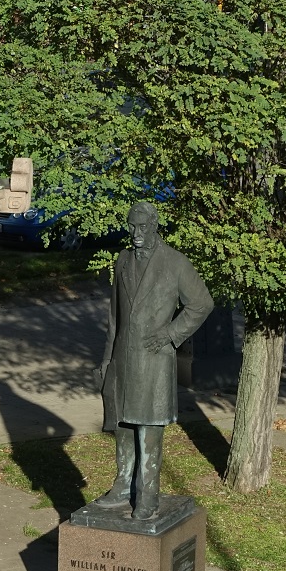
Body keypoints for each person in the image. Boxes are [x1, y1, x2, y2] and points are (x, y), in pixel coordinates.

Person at [92, 202, 213, 520]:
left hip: (154, 362)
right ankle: (122, 485)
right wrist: (106, 361)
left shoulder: (175, 263)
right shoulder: (122, 260)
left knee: (148, 429)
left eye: (142, 227)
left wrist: (172, 334)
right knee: (123, 427)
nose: (136, 233)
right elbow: (114, 318)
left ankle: (148, 495)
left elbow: (201, 304)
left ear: (155, 225)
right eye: (132, 227)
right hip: (123, 360)